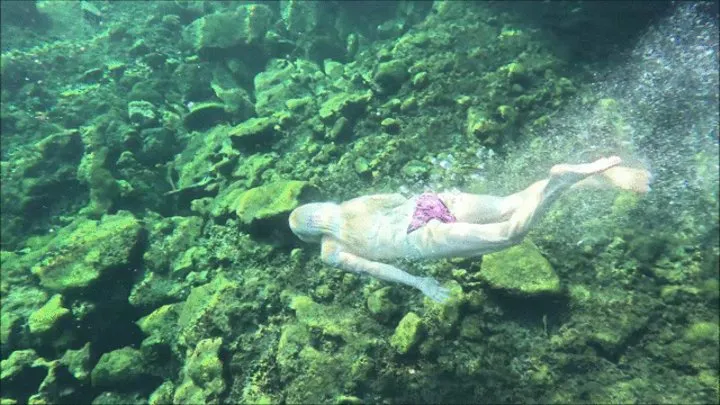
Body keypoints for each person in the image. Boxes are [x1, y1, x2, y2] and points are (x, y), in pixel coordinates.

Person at [289, 156, 651, 302]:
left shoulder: (330, 251)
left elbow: (377, 268)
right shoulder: (352, 203)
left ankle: (560, 182)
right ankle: (603, 178)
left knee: (511, 233)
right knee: (512, 202)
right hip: (429, 203)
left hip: (419, 238)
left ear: (308, 237)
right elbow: (395, 196)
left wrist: (421, 283)